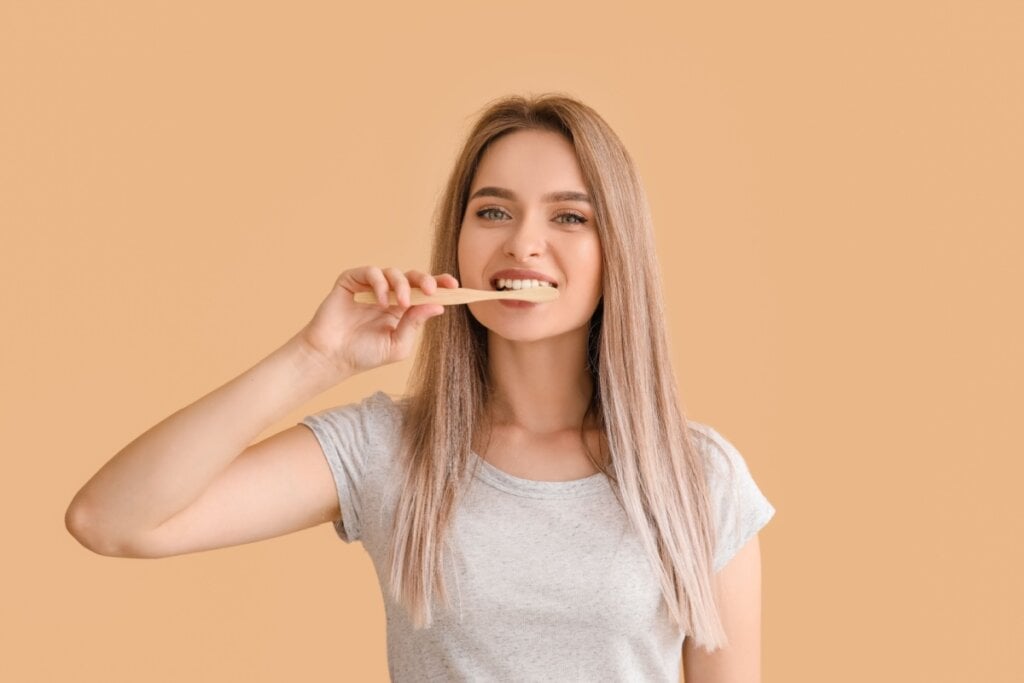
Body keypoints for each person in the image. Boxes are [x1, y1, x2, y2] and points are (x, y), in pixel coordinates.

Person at [66, 93, 776, 682]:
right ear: (458, 239)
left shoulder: (699, 477)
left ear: (617, 250)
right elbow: (111, 520)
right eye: (493, 211)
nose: (524, 243)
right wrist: (317, 357)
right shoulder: (388, 450)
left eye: (569, 216)